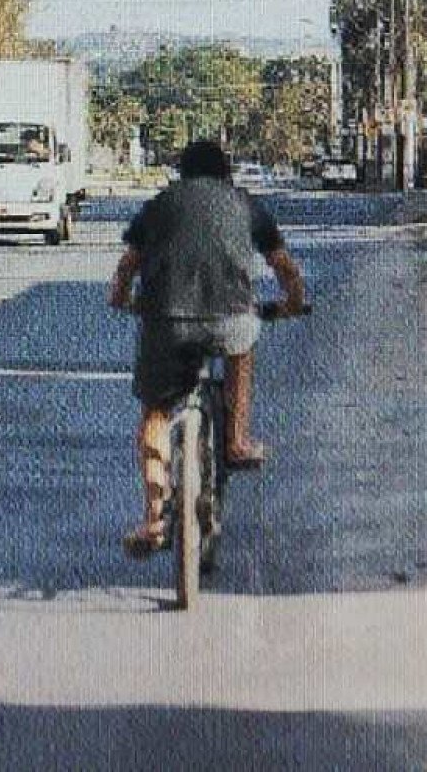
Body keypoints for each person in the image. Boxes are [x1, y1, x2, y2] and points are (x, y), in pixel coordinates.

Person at [108, 139, 307, 557]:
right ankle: (235, 440)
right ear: (226, 172)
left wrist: (121, 299)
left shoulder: (160, 205)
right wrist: (291, 304)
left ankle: (153, 519)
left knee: (157, 412)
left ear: (182, 173)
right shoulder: (245, 205)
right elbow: (284, 266)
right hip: (230, 317)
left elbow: (128, 264)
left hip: (166, 321)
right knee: (242, 349)